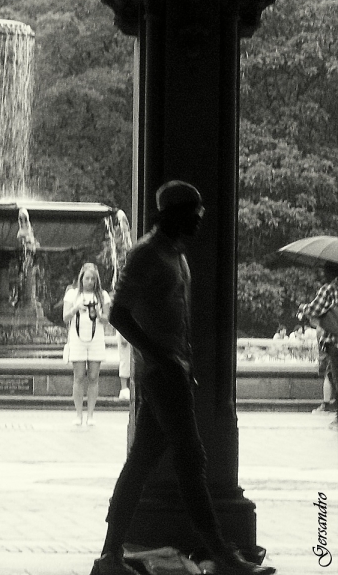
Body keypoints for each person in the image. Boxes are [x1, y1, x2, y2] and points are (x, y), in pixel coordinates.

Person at [92, 180, 276, 575]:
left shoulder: (175, 255)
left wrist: (178, 362)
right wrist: (159, 355)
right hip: (164, 376)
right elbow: (118, 314)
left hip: (173, 373)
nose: (198, 220)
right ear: (171, 213)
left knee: (140, 464)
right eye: (192, 213)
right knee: (192, 460)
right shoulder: (146, 255)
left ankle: (109, 555)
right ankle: (222, 555)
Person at [63, 263, 111, 426]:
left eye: (93, 279)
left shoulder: (102, 295)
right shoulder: (72, 294)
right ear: (81, 278)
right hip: (77, 338)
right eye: (87, 278)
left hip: (96, 339)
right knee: (79, 376)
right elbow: (65, 317)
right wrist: (76, 308)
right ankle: (78, 414)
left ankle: (90, 414)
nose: (90, 281)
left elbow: (107, 320)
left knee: (93, 377)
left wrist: (98, 313)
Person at [299, 262, 338, 428]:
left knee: (337, 378)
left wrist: (303, 308)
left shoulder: (329, 289)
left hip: (335, 342)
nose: (322, 274)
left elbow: (314, 309)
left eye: (325, 271)